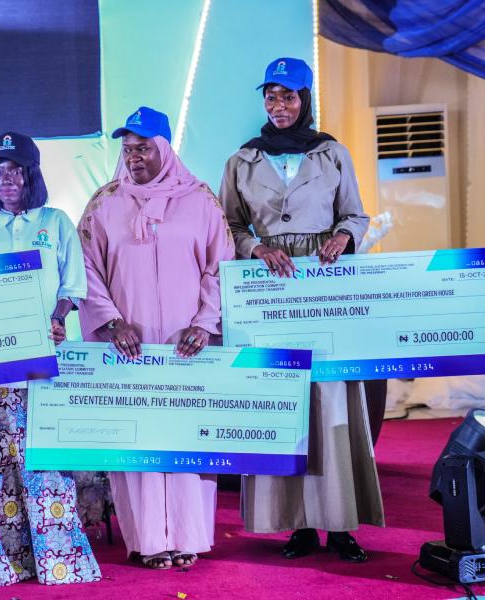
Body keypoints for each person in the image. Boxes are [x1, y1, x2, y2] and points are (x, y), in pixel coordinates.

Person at [220, 57, 384, 562]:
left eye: (289, 96)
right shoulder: (242, 160)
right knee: (284, 400)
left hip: (323, 289)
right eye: (271, 96)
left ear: (305, 99)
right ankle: (296, 525)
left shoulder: (332, 153)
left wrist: (340, 236)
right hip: (270, 294)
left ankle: (338, 525)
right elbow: (228, 224)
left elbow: (356, 214)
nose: (279, 105)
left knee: (331, 400)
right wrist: (256, 249)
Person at [78, 107, 235, 569]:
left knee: (187, 438)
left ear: (164, 148)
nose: (134, 158)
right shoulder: (104, 203)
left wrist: (205, 323)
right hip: (130, 349)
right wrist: (110, 322)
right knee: (138, 439)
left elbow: (220, 266)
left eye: (143, 148)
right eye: (127, 150)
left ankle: (189, 537)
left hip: (187, 347)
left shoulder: (201, 200)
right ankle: (146, 541)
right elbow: (87, 270)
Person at [0, 132, 101, 586]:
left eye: (16, 170)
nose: (7, 179)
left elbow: (72, 286)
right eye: (0, 170)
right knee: (2, 457)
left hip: (46, 355)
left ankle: (59, 560)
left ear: (31, 175)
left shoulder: (56, 221)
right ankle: (7, 562)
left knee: (43, 452)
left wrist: (59, 320)